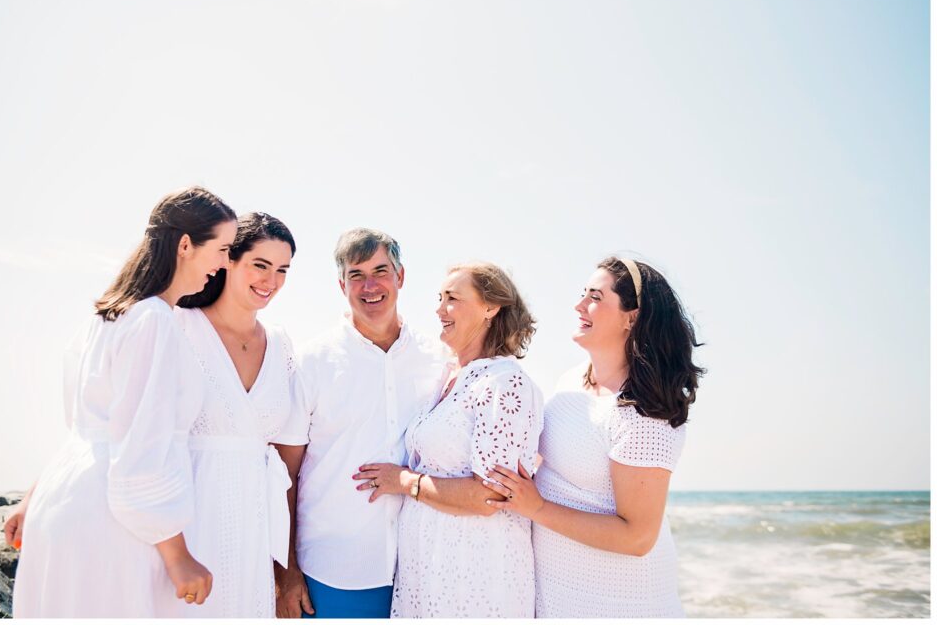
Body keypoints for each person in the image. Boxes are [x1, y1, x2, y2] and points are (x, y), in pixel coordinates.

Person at [7, 186, 237, 617]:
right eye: (222, 249)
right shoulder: (153, 321)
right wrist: (176, 555)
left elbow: (85, 426)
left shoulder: (107, 316)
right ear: (185, 245)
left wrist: (34, 496)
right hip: (109, 520)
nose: (225, 263)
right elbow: (142, 448)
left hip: (64, 499)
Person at [485, 256, 704, 617]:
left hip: (621, 607)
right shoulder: (572, 380)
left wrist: (536, 507)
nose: (579, 305)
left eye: (595, 297)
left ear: (631, 317)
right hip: (557, 599)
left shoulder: (645, 412)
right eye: (583, 294)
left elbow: (637, 537)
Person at [273, 228, 448, 619]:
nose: (370, 285)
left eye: (380, 271)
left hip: (419, 571)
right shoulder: (310, 362)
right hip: (331, 574)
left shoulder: (438, 359)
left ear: (400, 277)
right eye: (356, 275)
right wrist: (286, 574)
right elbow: (284, 473)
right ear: (342, 285)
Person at [356, 262, 543, 618]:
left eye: (452, 299)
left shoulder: (504, 383)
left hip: (474, 574)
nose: (439, 310)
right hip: (428, 571)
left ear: (490, 307)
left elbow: (490, 495)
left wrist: (404, 481)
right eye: (439, 298)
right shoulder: (448, 376)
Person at [171, 212, 299, 617]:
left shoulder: (281, 344)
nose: (272, 281)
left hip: (255, 528)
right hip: (190, 522)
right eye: (260, 265)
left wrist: (285, 567)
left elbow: (289, 457)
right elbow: (122, 423)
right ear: (228, 259)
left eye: (282, 270)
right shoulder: (179, 326)